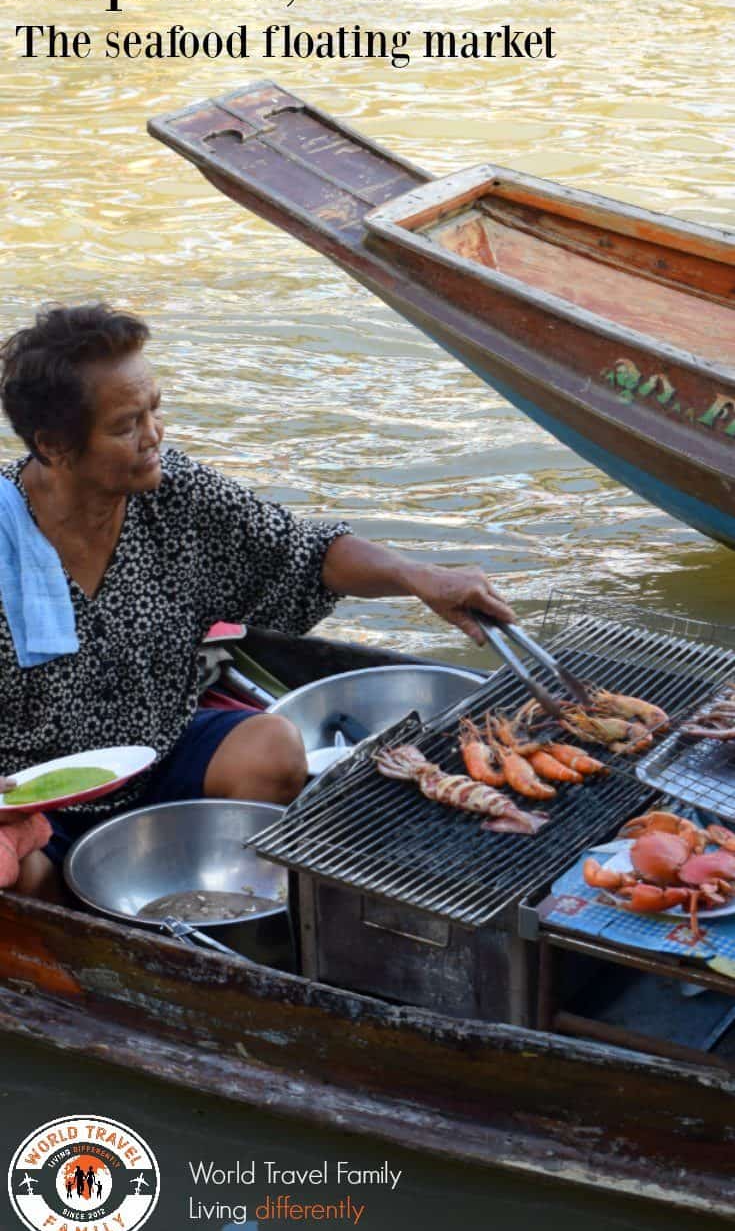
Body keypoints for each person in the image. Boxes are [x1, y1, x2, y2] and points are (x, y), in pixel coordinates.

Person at [0, 304, 514, 902]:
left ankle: (208, 895)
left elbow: (305, 552)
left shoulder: (176, 495)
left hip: (157, 750)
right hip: (31, 798)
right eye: (125, 427)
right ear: (54, 446)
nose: (154, 436)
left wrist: (421, 577)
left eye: (154, 411)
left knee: (271, 748)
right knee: (15, 879)